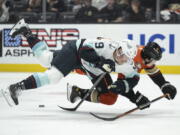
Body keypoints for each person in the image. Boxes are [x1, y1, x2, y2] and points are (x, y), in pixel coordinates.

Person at [1, 19, 138, 106]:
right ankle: (16, 88)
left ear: (129, 59)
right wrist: (100, 62)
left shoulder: (128, 66)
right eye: (120, 51)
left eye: (124, 56)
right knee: (54, 76)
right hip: (75, 51)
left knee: (45, 58)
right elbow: (84, 50)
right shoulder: (107, 45)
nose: (119, 56)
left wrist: (121, 85)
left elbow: (134, 78)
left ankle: (25, 31)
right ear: (118, 46)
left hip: (91, 68)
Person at [68, 41, 177, 110]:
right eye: (154, 60)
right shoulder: (131, 60)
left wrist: (164, 85)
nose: (154, 63)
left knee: (109, 97)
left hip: (100, 65)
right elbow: (120, 85)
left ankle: (76, 70)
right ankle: (77, 86)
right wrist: (134, 98)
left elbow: (152, 72)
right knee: (109, 98)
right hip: (97, 63)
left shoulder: (144, 55)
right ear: (148, 58)